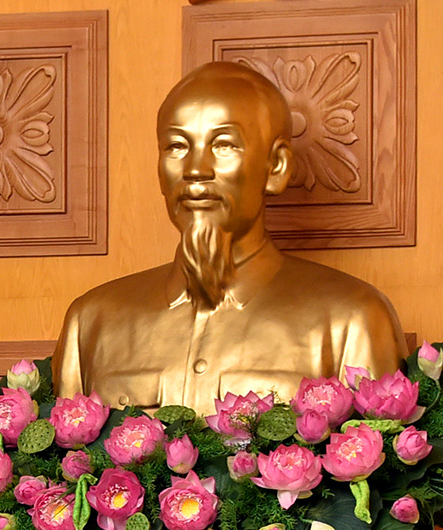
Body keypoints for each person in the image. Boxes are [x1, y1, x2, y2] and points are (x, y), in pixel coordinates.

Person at [53, 61, 405, 412]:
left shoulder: (352, 320)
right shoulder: (91, 324)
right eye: (177, 146)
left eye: (223, 145)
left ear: (276, 167)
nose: (195, 170)